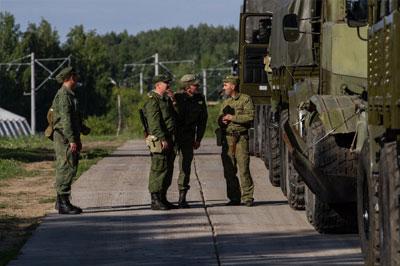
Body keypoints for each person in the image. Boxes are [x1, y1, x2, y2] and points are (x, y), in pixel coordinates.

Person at [52, 67, 90, 214]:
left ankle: (60, 201)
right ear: (70, 77)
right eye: (75, 76)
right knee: (66, 167)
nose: (77, 78)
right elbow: (66, 120)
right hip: (64, 136)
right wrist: (72, 139)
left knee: (68, 165)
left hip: (68, 135)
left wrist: (82, 129)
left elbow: (73, 117)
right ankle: (63, 203)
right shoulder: (64, 95)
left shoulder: (69, 94)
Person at [218, 75, 255, 207]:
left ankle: (248, 197)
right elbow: (219, 118)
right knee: (229, 170)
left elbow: (250, 116)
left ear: (233, 86)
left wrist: (232, 117)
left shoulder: (245, 99)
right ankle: (234, 197)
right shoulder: (226, 102)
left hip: (241, 138)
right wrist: (222, 120)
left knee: (244, 168)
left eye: (226, 85)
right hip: (228, 139)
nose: (224, 88)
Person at [143, 74, 176, 210]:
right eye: (165, 83)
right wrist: (162, 138)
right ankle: (155, 200)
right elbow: (154, 123)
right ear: (158, 85)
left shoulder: (165, 99)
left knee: (167, 169)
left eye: (168, 82)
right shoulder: (153, 100)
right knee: (158, 168)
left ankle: (163, 197)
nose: (168, 85)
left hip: (170, 138)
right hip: (160, 139)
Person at [174, 74, 208, 208]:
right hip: (174, 136)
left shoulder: (199, 99)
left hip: (188, 136)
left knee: (185, 167)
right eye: (195, 85)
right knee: (168, 166)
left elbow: (202, 120)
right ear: (187, 87)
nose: (198, 87)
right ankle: (160, 197)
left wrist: (198, 138)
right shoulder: (176, 98)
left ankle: (182, 198)